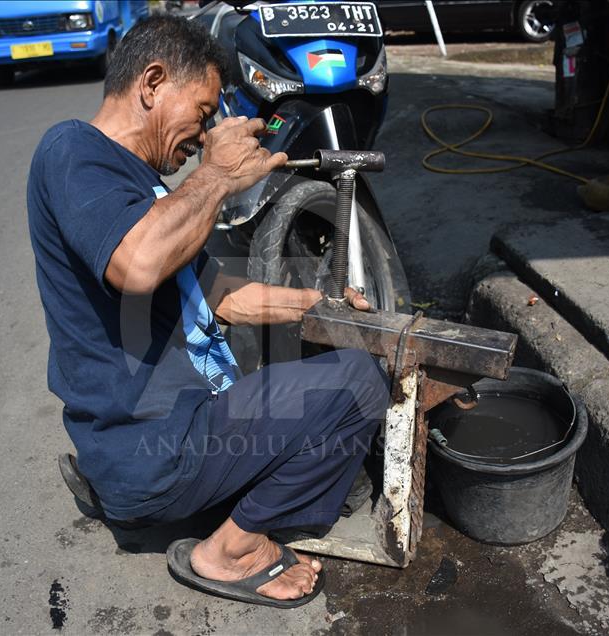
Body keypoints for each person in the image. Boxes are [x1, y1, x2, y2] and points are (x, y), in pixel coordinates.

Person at [27, 15, 390, 607]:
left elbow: (224, 297)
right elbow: (139, 265)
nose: (201, 134)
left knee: (332, 377)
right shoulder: (73, 150)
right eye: (200, 111)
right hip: (157, 449)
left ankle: (132, 488)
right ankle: (231, 550)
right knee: (358, 385)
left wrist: (323, 304)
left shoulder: (143, 187)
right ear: (151, 83)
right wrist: (216, 175)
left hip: (157, 440)